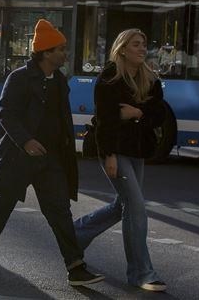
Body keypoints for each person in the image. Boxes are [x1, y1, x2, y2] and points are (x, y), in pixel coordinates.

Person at [0, 19, 104, 287]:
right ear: (45, 52)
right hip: (19, 154)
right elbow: (6, 113)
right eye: (60, 49)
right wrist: (26, 141)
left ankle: (76, 267)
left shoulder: (59, 80)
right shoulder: (19, 78)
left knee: (59, 211)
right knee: (4, 202)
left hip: (51, 158)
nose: (65, 54)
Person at [73, 29, 167, 292]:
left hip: (137, 151)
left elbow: (159, 114)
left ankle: (74, 236)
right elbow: (105, 119)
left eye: (144, 44)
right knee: (136, 206)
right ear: (122, 48)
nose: (142, 49)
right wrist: (109, 155)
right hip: (115, 150)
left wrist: (136, 111)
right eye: (136, 44)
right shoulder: (110, 77)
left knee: (123, 205)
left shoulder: (150, 78)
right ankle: (141, 273)